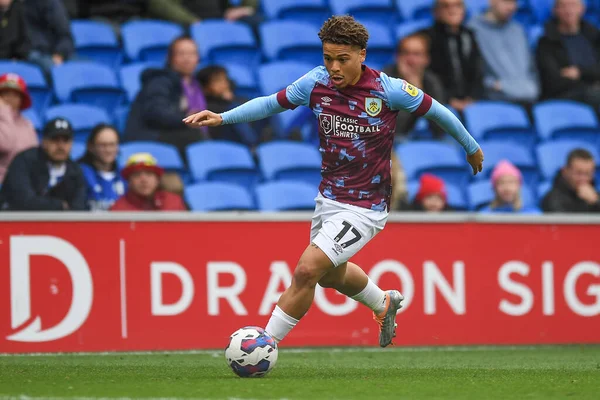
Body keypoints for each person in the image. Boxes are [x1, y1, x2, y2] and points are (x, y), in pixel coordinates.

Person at [184, 16, 484, 348]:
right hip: (328, 198)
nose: (334, 67)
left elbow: (438, 111)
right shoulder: (316, 83)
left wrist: (471, 148)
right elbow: (271, 103)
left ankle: (264, 344)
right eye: (328, 58)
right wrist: (223, 117)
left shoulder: (388, 90)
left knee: (307, 270)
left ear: (362, 55)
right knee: (330, 276)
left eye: (343, 59)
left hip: (366, 206)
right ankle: (382, 301)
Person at [125, 36, 207, 158]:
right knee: (194, 135)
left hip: (170, 135)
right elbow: (156, 113)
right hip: (150, 137)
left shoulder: (195, 85)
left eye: (191, 54)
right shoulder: (160, 81)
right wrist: (186, 119)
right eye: (181, 54)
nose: (187, 59)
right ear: (170, 58)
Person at [0, 117, 87, 211]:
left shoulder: (75, 170)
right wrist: (60, 205)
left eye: (66, 140)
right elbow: (23, 201)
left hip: (58, 224)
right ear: (44, 142)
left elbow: (79, 206)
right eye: (55, 139)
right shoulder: (25, 160)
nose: (61, 146)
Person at [469, 0, 540, 103]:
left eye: (514, 2)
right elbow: (475, 75)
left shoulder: (518, 30)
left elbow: (532, 74)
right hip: (492, 101)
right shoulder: (473, 30)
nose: (512, 7)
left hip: (527, 99)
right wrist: (492, 84)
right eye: (507, 1)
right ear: (491, 1)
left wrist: (505, 87)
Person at [536, 0, 600, 107]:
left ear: (582, 9)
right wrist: (592, 84)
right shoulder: (546, 42)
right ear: (555, 10)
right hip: (565, 95)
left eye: (573, 5)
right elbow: (553, 81)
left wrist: (579, 72)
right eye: (563, 6)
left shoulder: (593, 36)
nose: (569, 11)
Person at [383, 33, 446, 138]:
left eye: (417, 54)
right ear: (397, 57)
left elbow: (440, 129)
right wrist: (413, 90)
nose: (411, 60)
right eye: (406, 53)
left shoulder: (431, 81)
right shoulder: (384, 81)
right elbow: (395, 128)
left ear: (426, 59)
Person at [427, 0, 484, 113]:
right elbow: (428, 75)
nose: (453, 10)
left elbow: (477, 71)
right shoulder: (427, 39)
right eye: (446, 6)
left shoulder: (470, 35)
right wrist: (449, 99)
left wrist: (472, 98)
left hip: (471, 102)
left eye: (458, 6)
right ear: (436, 11)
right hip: (439, 101)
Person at [196, 65, 259, 146]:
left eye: (224, 80)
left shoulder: (237, 99)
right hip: (223, 141)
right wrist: (226, 100)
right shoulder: (206, 107)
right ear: (205, 88)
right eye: (217, 81)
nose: (223, 84)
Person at [110, 153, 187, 211]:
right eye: (137, 175)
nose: (144, 180)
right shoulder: (119, 209)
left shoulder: (174, 202)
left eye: (149, 174)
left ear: (157, 180)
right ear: (129, 181)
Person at [0, 73, 38, 183]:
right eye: (5, 93)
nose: (10, 98)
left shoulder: (27, 124)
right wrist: (3, 112)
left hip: (24, 182)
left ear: (22, 99)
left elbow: (34, 155)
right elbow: (5, 145)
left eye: (15, 95)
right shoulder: (3, 116)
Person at [78, 124, 126, 211]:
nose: (108, 150)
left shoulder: (125, 176)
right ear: (91, 146)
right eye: (103, 145)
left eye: (112, 145)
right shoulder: (79, 173)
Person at [23, 0, 74, 76]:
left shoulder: (50, 3)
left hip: (53, 52)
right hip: (31, 53)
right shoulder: (14, 5)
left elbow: (65, 34)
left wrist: (60, 54)